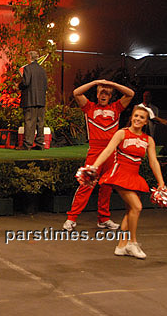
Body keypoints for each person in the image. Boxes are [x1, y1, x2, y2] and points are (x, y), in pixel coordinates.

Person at [91, 105, 166, 259]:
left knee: (131, 211)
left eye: (142, 117)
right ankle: (132, 243)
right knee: (137, 207)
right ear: (131, 117)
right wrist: (94, 167)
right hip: (119, 175)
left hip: (134, 177)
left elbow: (153, 162)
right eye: (136, 116)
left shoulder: (148, 140)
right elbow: (107, 151)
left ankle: (121, 246)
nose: (138, 119)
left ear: (146, 122)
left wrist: (161, 183)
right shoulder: (122, 133)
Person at [63, 79, 135, 231]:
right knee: (86, 184)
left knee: (107, 187)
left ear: (110, 96)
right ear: (96, 94)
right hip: (95, 151)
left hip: (111, 152)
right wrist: (96, 82)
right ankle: (71, 218)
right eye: (101, 92)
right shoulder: (89, 107)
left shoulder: (116, 107)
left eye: (107, 93)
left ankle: (103, 219)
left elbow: (131, 94)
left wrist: (113, 84)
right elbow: (77, 92)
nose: (103, 95)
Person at [18, 50, 48, 150]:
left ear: (30, 58)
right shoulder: (42, 70)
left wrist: (19, 86)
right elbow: (45, 85)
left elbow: (25, 83)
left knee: (29, 122)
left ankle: (27, 144)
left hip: (30, 100)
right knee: (40, 122)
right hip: (41, 100)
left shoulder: (27, 68)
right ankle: (40, 144)